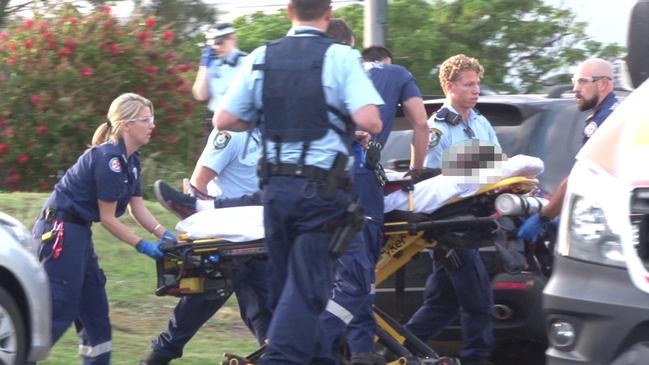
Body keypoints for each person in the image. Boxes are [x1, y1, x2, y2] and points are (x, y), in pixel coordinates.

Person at [213, 0, 384, 362]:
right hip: (320, 196)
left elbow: (224, 119)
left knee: (290, 295)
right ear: (329, 12)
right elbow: (370, 121)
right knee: (306, 295)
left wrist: (264, 116)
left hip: (275, 193)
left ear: (289, 10)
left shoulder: (261, 56)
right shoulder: (340, 57)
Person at [31, 93, 175, 365]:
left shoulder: (131, 161)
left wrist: (164, 234)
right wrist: (142, 245)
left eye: (152, 119)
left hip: (78, 233)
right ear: (125, 125)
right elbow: (108, 218)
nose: (152, 125)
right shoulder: (109, 159)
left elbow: (136, 208)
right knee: (59, 310)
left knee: (95, 313)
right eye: (146, 119)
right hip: (61, 230)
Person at [316, 25, 429, 363]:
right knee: (360, 270)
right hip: (360, 177)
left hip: (318, 179)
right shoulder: (396, 73)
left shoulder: (322, 72)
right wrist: (416, 171)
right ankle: (321, 346)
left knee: (343, 270)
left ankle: (358, 351)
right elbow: (421, 124)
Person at [140, 128, 271, 365]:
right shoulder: (233, 134)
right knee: (186, 322)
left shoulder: (273, 134)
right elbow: (198, 185)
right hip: (225, 245)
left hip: (258, 244)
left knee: (268, 323)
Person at [404, 54, 497, 365]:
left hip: (477, 220)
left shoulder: (481, 123)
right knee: (478, 301)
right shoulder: (436, 130)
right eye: (468, 84)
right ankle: (476, 358)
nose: (475, 90)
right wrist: (477, 166)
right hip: (450, 226)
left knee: (442, 303)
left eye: (477, 84)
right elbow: (430, 182)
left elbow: (500, 162)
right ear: (448, 86)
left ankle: (396, 350)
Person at [517, 58, 619, 242]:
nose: (575, 89)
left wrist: (543, 218)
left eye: (582, 81)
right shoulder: (614, 112)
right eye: (574, 82)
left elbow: (581, 178)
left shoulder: (606, 121)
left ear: (603, 83)